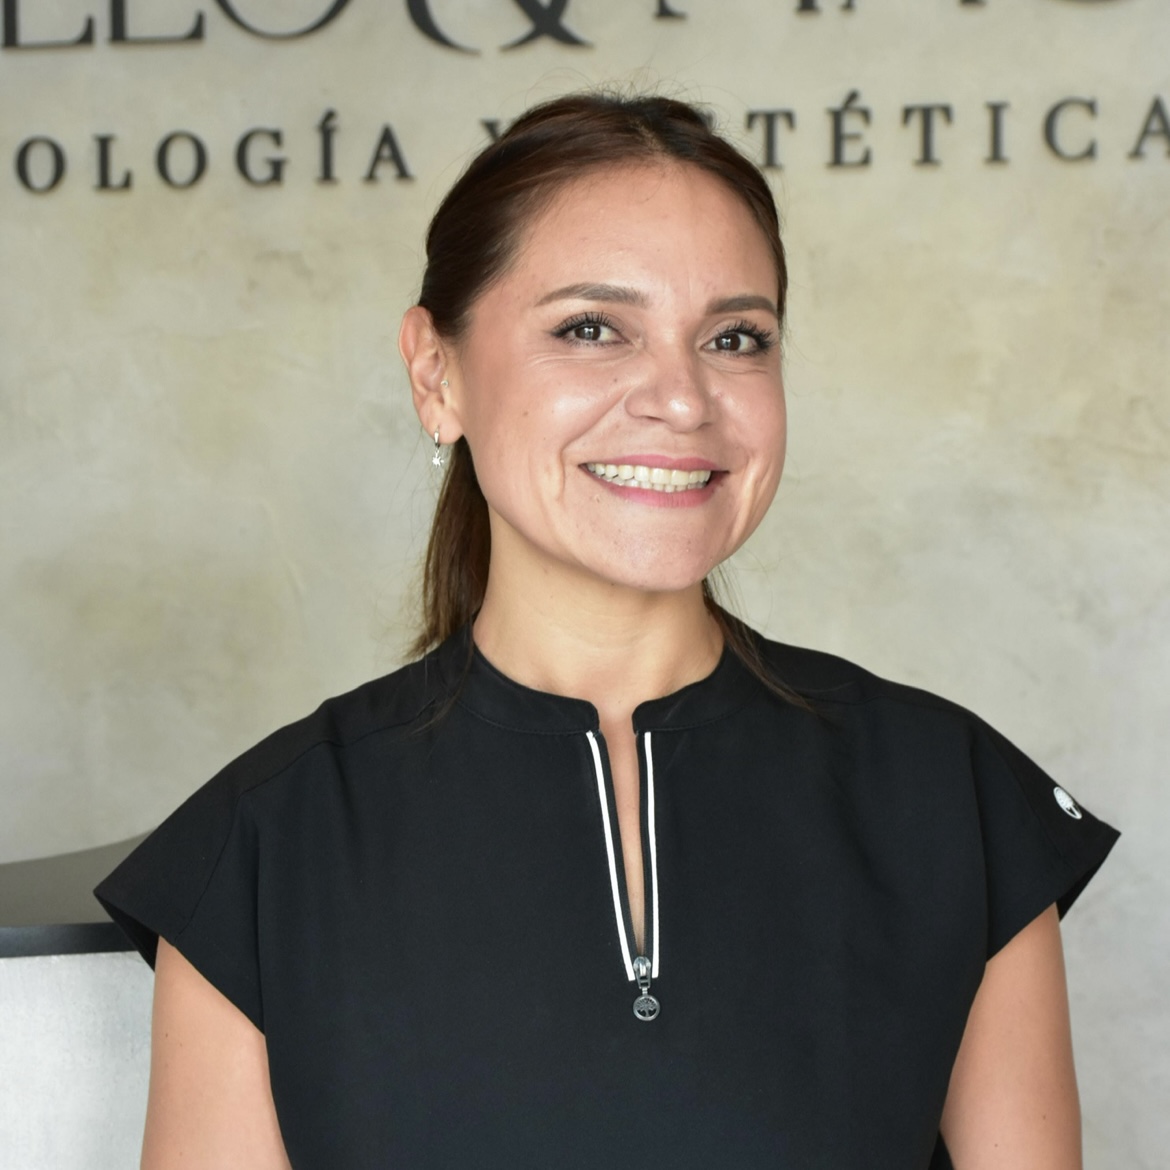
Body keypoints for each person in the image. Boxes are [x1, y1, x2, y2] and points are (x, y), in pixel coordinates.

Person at [96, 92, 1118, 1170]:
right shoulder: (260, 852)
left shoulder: (953, 798)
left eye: (735, 338)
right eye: (591, 328)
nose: (682, 399)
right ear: (436, 374)